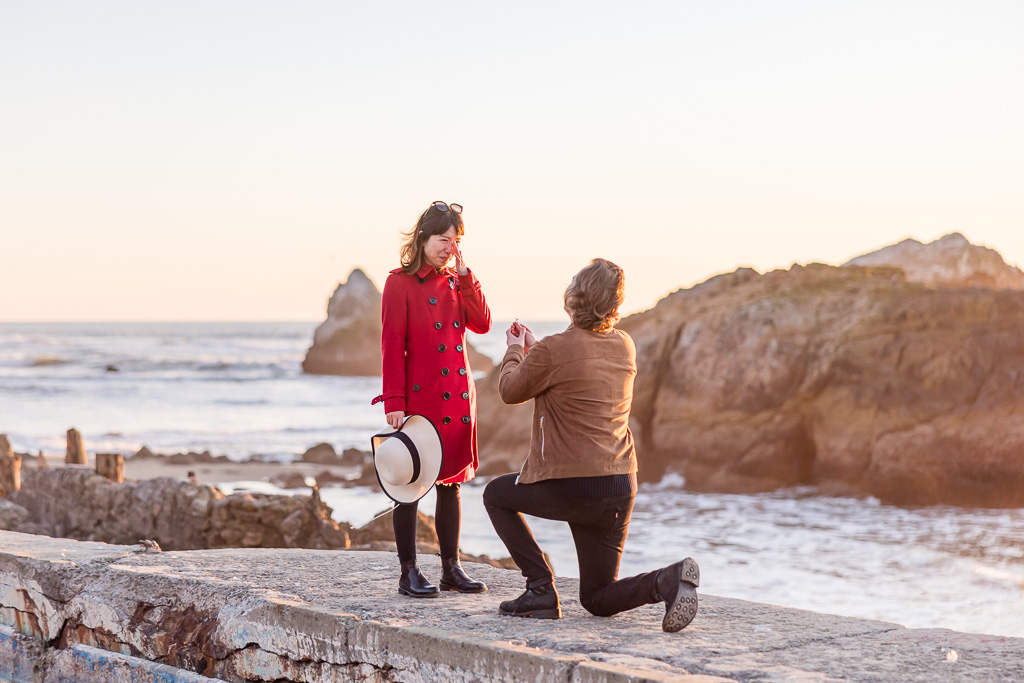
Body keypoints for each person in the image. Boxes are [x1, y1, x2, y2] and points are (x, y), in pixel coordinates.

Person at [483, 258, 700, 632]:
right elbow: (579, 365)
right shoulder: (624, 346)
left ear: (574, 297)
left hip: (576, 487)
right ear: (614, 305)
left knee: (495, 495)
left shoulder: (554, 350)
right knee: (597, 598)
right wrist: (538, 352)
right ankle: (666, 580)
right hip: (619, 486)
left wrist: (517, 349)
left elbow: (509, 390)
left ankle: (540, 589)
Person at [373, 200, 492, 598]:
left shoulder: (457, 281)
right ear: (423, 238)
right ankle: (408, 572)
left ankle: (450, 569)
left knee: (451, 485)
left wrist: (466, 275)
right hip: (422, 399)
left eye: (456, 241)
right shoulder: (398, 283)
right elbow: (392, 345)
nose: (450, 248)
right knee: (410, 481)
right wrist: (394, 400)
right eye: (444, 239)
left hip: (457, 399)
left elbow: (483, 322)